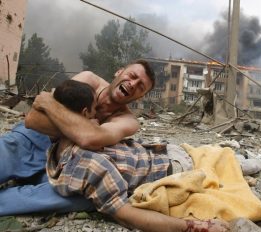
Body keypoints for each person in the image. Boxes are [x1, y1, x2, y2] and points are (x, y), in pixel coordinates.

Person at [0, 60, 229, 231]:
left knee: (83, 198)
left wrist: (51, 107)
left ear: (140, 96)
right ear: (119, 72)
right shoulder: (87, 80)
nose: (133, 84)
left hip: (70, 162)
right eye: (131, 76)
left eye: (140, 87)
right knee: (9, 150)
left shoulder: (128, 121)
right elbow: (33, 120)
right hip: (36, 142)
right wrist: (83, 128)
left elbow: (90, 139)